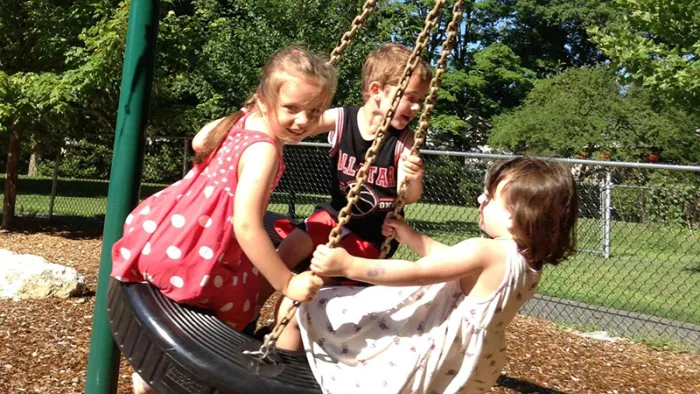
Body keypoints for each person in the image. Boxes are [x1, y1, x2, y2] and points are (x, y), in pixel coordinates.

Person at [108, 46, 335, 394]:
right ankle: (169, 381)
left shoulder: (242, 119)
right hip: (197, 257)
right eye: (292, 108)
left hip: (166, 234)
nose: (304, 121)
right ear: (265, 100)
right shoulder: (264, 151)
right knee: (236, 313)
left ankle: (150, 380)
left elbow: (200, 140)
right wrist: (287, 283)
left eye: (314, 111)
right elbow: (245, 225)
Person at [275, 157, 579, 394]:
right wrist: (412, 238)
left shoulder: (485, 250)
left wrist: (349, 266)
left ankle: (275, 378)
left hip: (426, 346)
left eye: (488, 197)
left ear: (513, 214)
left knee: (304, 305)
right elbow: (451, 261)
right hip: (469, 361)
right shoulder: (526, 263)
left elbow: (418, 272)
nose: (479, 201)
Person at [271, 43, 432, 291]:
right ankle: (249, 316)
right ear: (376, 90)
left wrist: (415, 178)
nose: (417, 107)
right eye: (410, 98)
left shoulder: (404, 141)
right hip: (332, 216)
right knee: (284, 253)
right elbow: (300, 127)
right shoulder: (342, 119)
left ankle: (289, 326)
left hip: (371, 236)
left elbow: (408, 196)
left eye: (419, 100)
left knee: (318, 286)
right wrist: (265, 129)